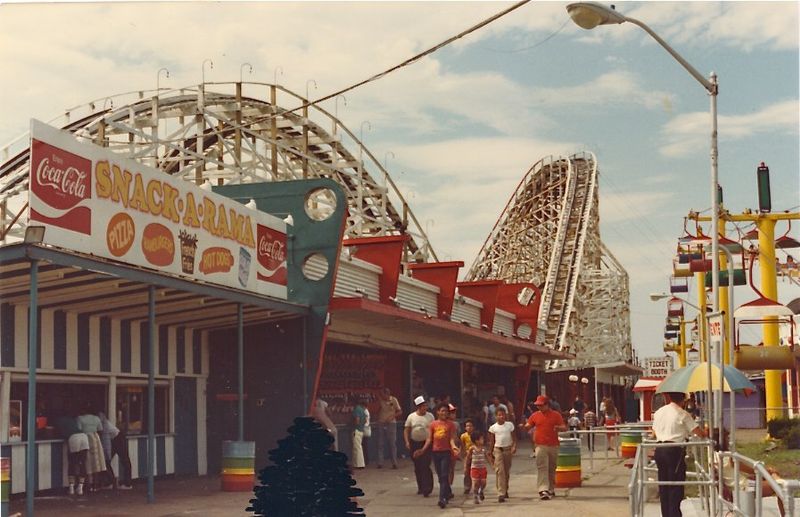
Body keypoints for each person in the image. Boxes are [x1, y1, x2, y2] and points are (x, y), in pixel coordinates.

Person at [652, 392, 705, 517]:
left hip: (659, 450)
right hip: (674, 451)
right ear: (683, 400)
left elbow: (654, 432)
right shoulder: (682, 414)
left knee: (664, 485)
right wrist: (706, 432)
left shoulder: (659, 412)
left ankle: (666, 514)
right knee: (675, 486)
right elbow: (698, 432)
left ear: (669, 397)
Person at [414, 403, 461, 509]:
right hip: (435, 453)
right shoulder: (433, 424)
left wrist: (454, 447)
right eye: (442, 411)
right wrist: (422, 450)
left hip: (446, 453)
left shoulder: (450, 425)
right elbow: (429, 439)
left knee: (444, 475)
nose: (444, 413)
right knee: (440, 477)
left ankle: (442, 499)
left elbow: (452, 439)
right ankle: (447, 492)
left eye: (446, 411)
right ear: (438, 412)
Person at [525, 394, 566, 500]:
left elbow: (564, 427)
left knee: (552, 468)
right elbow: (528, 425)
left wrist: (558, 427)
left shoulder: (556, 415)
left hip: (553, 445)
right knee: (542, 467)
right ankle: (543, 489)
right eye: (538, 405)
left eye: (541, 405)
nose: (539, 407)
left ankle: (551, 488)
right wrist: (524, 427)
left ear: (547, 405)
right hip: (540, 445)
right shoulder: (535, 415)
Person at [404, 396, 434, 497]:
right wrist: (407, 442)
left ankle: (428, 487)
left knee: (425, 465)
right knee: (418, 466)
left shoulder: (430, 416)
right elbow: (406, 430)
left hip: (427, 443)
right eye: (423, 406)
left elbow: (433, 429)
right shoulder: (411, 417)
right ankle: (420, 487)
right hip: (414, 443)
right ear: (418, 407)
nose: (425, 408)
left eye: (426, 406)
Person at [56, 410, 87, 496]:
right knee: (83, 463)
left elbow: (59, 433)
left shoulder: (59, 421)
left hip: (73, 438)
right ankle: (80, 488)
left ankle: (71, 488)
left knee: (72, 463)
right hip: (84, 436)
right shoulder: (73, 420)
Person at [487, 407, 516, 502]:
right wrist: (490, 452)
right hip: (498, 450)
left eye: (503, 415)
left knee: (506, 471)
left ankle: (505, 489)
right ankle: (501, 493)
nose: (501, 416)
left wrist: (514, 446)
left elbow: (514, 438)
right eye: (499, 415)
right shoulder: (493, 428)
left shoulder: (509, 425)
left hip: (507, 450)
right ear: (496, 416)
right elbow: (491, 441)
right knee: (500, 471)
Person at [78, 408, 107, 491]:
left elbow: (79, 430)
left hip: (85, 438)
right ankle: (95, 485)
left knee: (87, 461)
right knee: (96, 462)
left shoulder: (80, 418)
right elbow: (100, 430)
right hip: (95, 438)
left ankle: (89, 485)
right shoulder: (96, 418)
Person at [376, 387, 402, 469]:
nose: (382, 397)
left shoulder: (393, 400)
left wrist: (392, 417)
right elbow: (378, 410)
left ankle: (394, 462)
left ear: (387, 394)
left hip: (391, 423)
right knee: (380, 443)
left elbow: (400, 411)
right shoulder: (381, 401)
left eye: (383, 395)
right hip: (381, 422)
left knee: (392, 443)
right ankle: (380, 462)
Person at [466, 429, 489, 504]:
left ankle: (481, 491)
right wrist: (466, 465)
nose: (483, 440)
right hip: (474, 468)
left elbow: (487, 457)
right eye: (481, 439)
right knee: (475, 483)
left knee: (483, 482)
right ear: (476, 440)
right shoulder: (472, 448)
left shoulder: (483, 449)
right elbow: (468, 457)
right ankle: (475, 495)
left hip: (482, 468)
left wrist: (492, 464)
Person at [98, 411, 118, 489]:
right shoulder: (105, 420)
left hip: (104, 443)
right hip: (108, 442)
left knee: (105, 464)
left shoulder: (100, 419)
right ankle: (110, 481)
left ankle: (111, 481)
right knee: (106, 463)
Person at [351, 397, 368, 469]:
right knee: (358, 447)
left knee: (357, 448)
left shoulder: (357, 409)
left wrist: (354, 424)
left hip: (356, 430)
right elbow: (365, 420)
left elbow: (357, 420)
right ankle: (358, 464)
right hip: (361, 430)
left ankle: (359, 465)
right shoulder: (363, 410)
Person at [460, 419, 475, 494]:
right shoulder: (463, 436)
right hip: (467, 455)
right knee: (466, 471)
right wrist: (462, 455)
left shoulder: (475, 435)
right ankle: (467, 487)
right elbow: (462, 446)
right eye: (467, 426)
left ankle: (476, 486)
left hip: (475, 455)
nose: (469, 427)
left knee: (475, 471)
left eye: (470, 426)